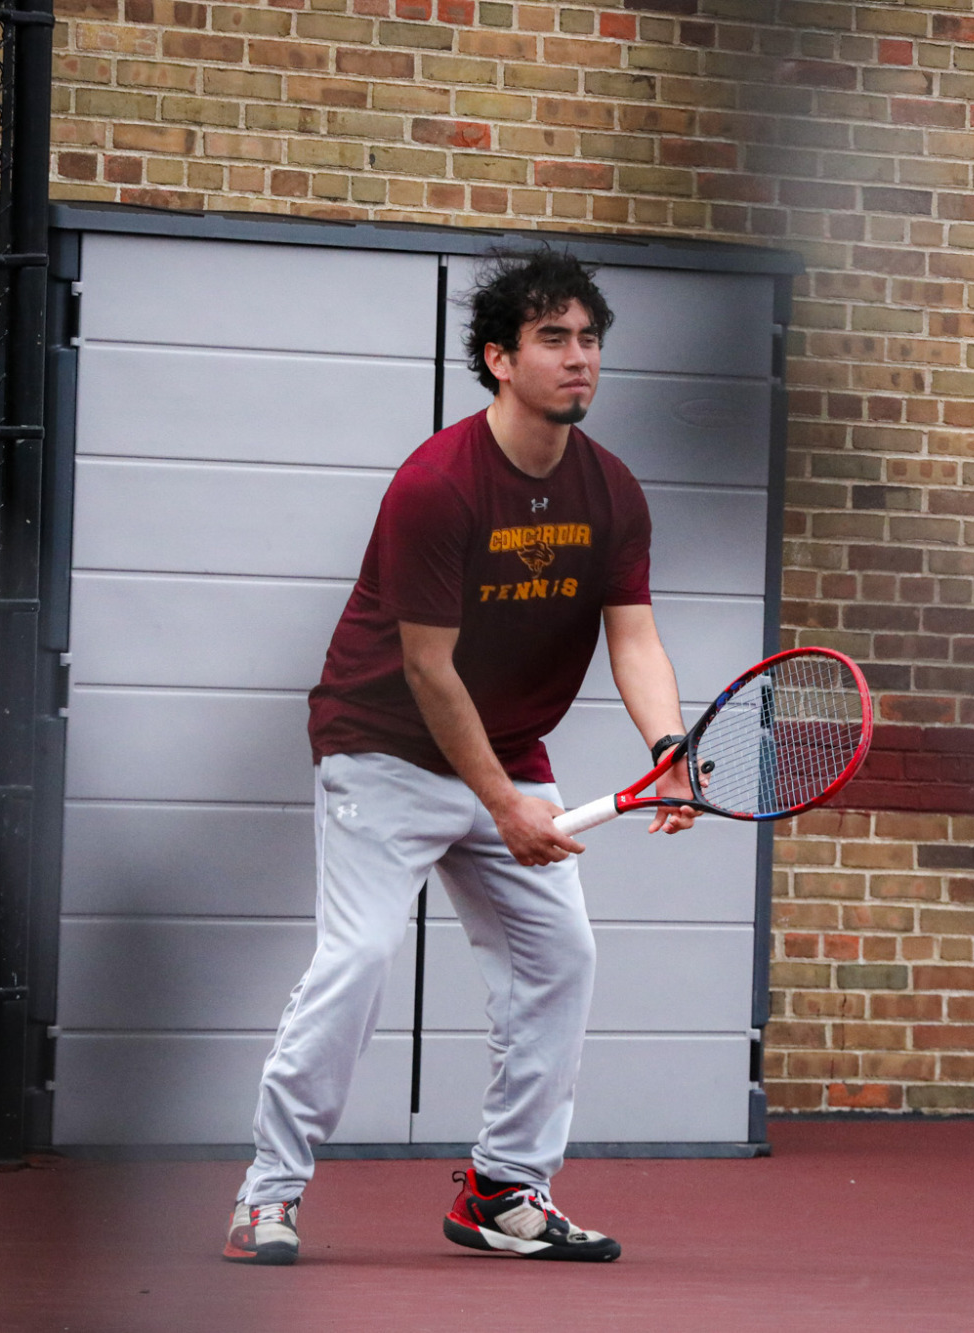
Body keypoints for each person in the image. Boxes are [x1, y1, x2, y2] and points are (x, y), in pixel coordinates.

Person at [223, 249, 696, 1266]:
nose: (579, 359)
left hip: (509, 752)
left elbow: (634, 634)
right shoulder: (435, 487)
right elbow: (430, 672)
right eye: (553, 340)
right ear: (498, 358)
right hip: (378, 751)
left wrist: (666, 745)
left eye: (590, 340)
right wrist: (508, 807)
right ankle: (268, 1195)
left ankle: (503, 1191)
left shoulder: (611, 491)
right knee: (353, 962)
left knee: (560, 958)